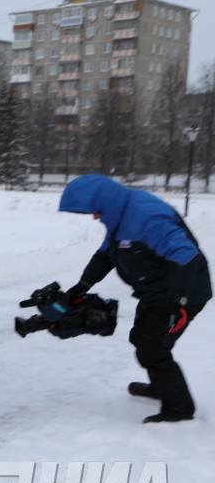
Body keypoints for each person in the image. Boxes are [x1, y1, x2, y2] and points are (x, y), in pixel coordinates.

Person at [59, 174, 210, 423]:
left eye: (95, 211)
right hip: (157, 291)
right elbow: (106, 254)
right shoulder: (119, 215)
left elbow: (186, 256)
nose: (94, 217)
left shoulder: (146, 218)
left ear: (104, 203)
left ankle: (180, 409)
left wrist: (178, 303)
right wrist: (82, 286)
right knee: (143, 340)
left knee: (153, 348)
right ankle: (163, 387)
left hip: (182, 293)